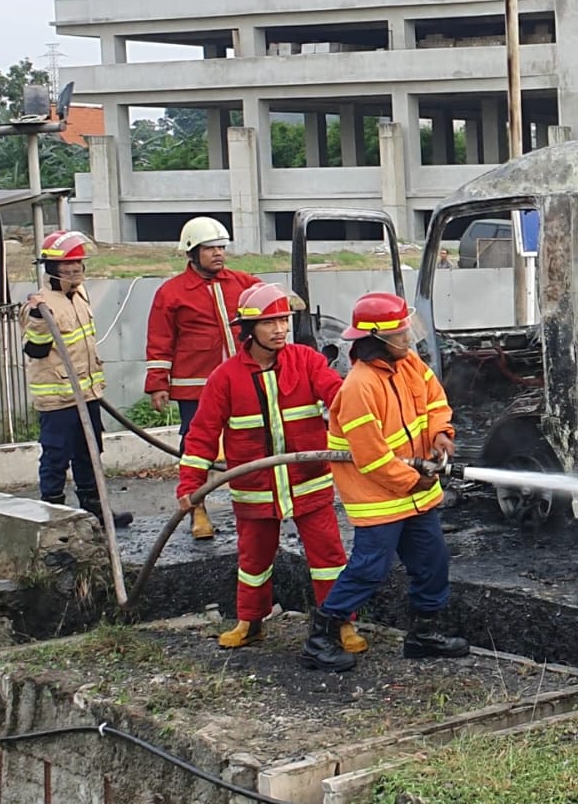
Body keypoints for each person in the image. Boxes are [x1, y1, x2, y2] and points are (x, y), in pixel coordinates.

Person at [177, 283, 361, 652]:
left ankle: (341, 623)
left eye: (283, 320)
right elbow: (201, 436)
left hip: (308, 483)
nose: (280, 329)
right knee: (254, 561)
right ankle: (251, 623)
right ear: (248, 329)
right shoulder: (225, 378)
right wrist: (190, 486)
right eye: (270, 322)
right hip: (255, 488)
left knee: (328, 558)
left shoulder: (307, 361)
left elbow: (340, 399)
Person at [300, 292, 468, 672]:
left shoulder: (409, 364)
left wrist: (442, 432)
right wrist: (415, 481)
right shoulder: (359, 387)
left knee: (432, 562)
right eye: (401, 332)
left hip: (414, 494)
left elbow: (434, 401)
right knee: (369, 569)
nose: (408, 338)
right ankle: (320, 637)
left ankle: (424, 635)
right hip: (379, 498)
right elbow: (372, 457)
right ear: (377, 339)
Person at [145, 216, 261, 541]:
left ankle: (254, 511)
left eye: (221, 247)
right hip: (195, 388)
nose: (218, 254)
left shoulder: (242, 283)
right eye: (210, 249)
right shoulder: (171, 293)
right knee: (196, 450)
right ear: (192, 253)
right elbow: (159, 341)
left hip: (241, 383)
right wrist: (158, 384)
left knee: (250, 443)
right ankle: (198, 508)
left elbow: (268, 303)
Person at [22, 231, 133, 529]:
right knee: (56, 457)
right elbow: (34, 349)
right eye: (67, 267)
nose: (74, 272)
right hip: (58, 398)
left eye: (78, 266)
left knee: (90, 453)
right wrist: (36, 318)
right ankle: (52, 516)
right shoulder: (40, 304)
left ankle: (95, 511)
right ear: (52, 269)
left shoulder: (80, 295)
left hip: (88, 395)